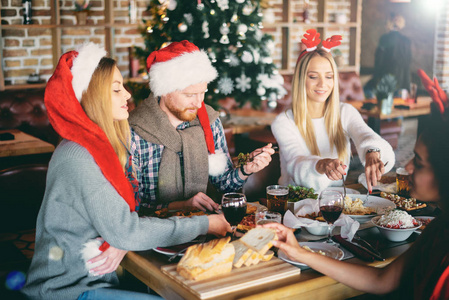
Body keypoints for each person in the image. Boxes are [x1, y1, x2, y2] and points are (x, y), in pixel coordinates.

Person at [22, 43, 231, 300]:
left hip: (104, 280)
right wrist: (204, 223)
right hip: (69, 289)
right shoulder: (79, 155)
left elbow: (122, 225)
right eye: (117, 89)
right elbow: (126, 232)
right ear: (92, 96)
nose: (128, 95)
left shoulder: (99, 145)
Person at [264, 98, 449, 298]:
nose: (408, 167)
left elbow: (366, 135)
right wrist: (299, 252)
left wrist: (372, 151)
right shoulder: (439, 227)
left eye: (419, 163)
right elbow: (381, 280)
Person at [129, 40, 275, 212]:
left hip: (206, 227)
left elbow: (223, 185)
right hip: (154, 232)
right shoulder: (135, 131)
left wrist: (246, 170)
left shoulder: (210, 122)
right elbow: (132, 207)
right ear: (164, 90)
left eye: (203, 93)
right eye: (190, 94)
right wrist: (181, 206)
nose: (199, 104)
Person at [271, 29, 395, 194]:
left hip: (336, 197)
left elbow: (364, 134)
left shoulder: (345, 112)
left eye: (329, 77)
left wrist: (373, 151)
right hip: (295, 199)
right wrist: (322, 165)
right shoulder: (283, 122)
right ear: (301, 79)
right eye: (313, 77)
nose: (323, 84)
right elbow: (296, 163)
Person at [365, 13, 412, 95]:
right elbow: (408, 63)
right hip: (402, 81)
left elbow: (378, 61)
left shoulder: (384, 39)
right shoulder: (406, 41)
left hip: (386, 79)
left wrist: (376, 79)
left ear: (389, 23)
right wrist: (407, 85)